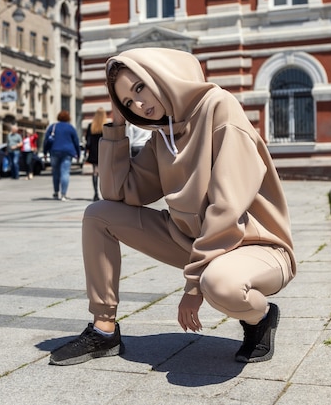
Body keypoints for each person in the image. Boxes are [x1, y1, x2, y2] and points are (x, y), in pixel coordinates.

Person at [49, 48, 296, 366]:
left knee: (219, 284)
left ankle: (260, 317)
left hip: (253, 245)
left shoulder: (219, 107)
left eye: (139, 88)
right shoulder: (162, 135)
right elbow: (119, 192)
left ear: (162, 74)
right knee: (98, 215)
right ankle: (104, 329)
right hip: (195, 243)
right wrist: (116, 125)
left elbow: (227, 207)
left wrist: (193, 286)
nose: (138, 104)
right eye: (127, 101)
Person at [42, 110, 80, 201]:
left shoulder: (53, 126)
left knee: (55, 172)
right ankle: (63, 195)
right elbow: (76, 141)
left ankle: (55, 192)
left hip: (54, 151)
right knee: (65, 173)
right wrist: (78, 154)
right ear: (68, 118)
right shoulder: (70, 128)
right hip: (67, 152)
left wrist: (45, 152)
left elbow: (46, 140)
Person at [85, 107, 106, 201]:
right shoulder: (105, 126)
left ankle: (95, 194)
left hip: (93, 152)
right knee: (104, 173)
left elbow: (87, 140)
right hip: (103, 152)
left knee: (95, 172)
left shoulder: (91, 125)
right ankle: (105, 194)